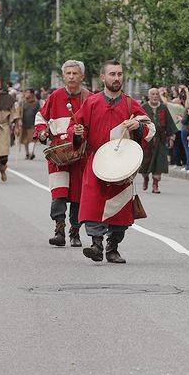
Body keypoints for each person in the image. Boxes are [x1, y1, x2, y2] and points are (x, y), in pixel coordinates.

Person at [69, 60, 153, 263]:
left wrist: (137, 125)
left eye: (119, 74)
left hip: (122, 162)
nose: (117, 78)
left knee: (120, 207)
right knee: (93, 202)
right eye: (112, 74)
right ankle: (96, 244)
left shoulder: (129, 103)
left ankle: (113, 247)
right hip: (97, 159)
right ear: (103, 77)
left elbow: (149, 128)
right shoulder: (92, 102)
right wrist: (78, 133)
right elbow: (76, 126)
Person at [35, 60, 91, 247]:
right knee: (59, 192)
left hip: (80, 152)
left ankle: (75, 232)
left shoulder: (89, 98)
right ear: (63, 76)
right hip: (58, 153)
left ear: (82, 76)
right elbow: (41, 117)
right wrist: (42, 131)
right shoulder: (55, 96)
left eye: (75, 73)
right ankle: (59, 230)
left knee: (77, 195)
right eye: (68, 73)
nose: (71, 77)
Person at [139, 87, 178, 194]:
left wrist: (171, 138)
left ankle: (155, 184)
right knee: (145, 163)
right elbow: (137, 123)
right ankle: (145, 178)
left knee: (159, 162)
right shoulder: (143, 107)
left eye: (157, 94)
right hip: (146, 140)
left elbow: (170, 123)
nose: (155, 96)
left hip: (160, 139)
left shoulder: (163, 108)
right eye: (153, 94)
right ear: (149, 96)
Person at [18, 89, 40, 160]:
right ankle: (27, 153)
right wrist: (19, 120)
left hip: (33, 123)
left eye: (28, 92)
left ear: (32, 94)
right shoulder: (22, 102)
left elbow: (39, 113)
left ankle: (31, 153)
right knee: (25, 140)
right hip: (24, 123)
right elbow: (19, 112)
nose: (26, 94)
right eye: (25, 92)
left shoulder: (36, 103)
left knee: (31, 139)